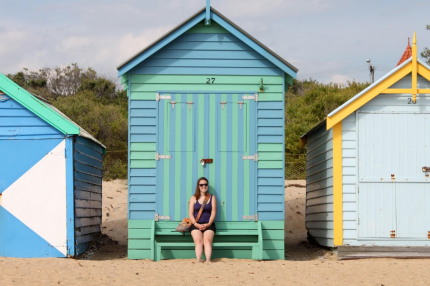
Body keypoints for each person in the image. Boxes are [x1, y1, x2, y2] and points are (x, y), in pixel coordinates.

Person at [189, 177, 217, 263]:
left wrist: (208, 224)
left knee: (207, 240)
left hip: (209, 224)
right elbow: (190, 214)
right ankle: (199, 259)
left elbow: (213, 213)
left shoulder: (212, 197)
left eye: (205, 184)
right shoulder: (193, 198)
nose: (203, 186)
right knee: (198, 240)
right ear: (198, 186)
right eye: (201, 185)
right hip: (196, 224)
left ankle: (208, 260)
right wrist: (196, 224)